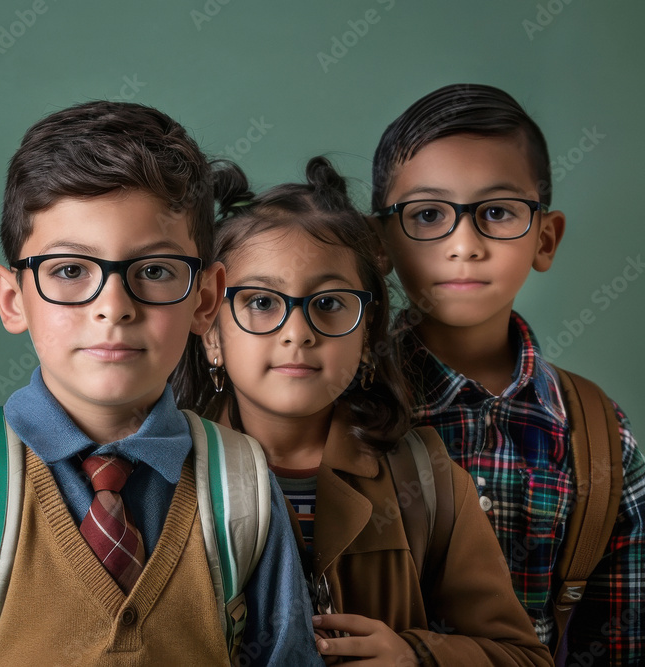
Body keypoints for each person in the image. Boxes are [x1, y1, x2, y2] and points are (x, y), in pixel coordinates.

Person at [0, 100, 322, 666]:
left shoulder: (243, 488)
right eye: (70, 271)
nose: (114, 308)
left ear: (205, 299)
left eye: (153, 271)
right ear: (11, 299)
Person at [174, 156, 553, 665]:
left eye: (329, 304)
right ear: (211, 331)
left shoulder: (430, 482)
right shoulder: (169, 477)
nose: (297, 331)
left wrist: (417, 656)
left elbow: (523, 656)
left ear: (369, 333)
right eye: (261, 302)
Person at [371, 83, 643, 663]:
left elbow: (622, 638)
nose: (464, 245)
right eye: (427, 215)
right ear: (380, 245)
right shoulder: (339, 402)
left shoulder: (600, 437)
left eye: (496, 213)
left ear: (546, 239)